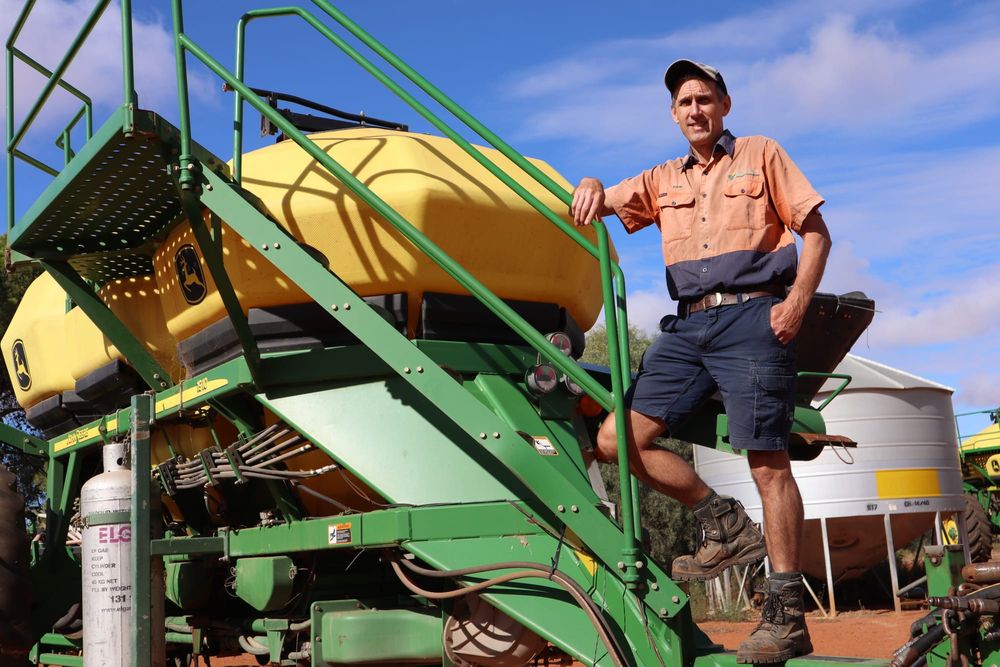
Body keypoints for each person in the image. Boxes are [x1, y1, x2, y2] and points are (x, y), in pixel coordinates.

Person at [570, 59, 831, 663]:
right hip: (688, 326)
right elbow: (597, 202)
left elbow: (816, 233)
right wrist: (586, 181)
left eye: (705, 99)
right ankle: (726, 523)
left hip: (753, 319)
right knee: (615, 440)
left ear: (725, 105)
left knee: (768, 464)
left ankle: (786, 617)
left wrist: (794, 305)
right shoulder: (663, 178)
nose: (695, 109)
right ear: (674, 114)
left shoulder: (761, 153)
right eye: (685, 101)